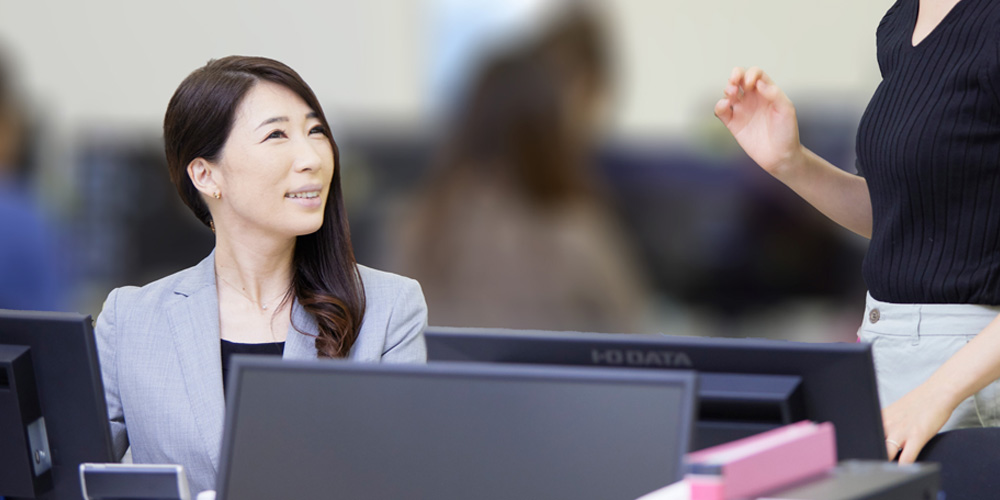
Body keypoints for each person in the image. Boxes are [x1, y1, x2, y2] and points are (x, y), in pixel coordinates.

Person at [94, 56, 428, 496]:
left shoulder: (389, 308)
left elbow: (400, 482)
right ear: (205, 175)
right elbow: (75, 477)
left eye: (316, 131)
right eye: (276, 135)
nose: (311, 158)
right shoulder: (131, 319)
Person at [715, 0, 1000, 464]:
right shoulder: (899, 22)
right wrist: (792, 164)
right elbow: (911, 220)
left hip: (971, 378)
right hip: (888, 357)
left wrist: (938, 393)